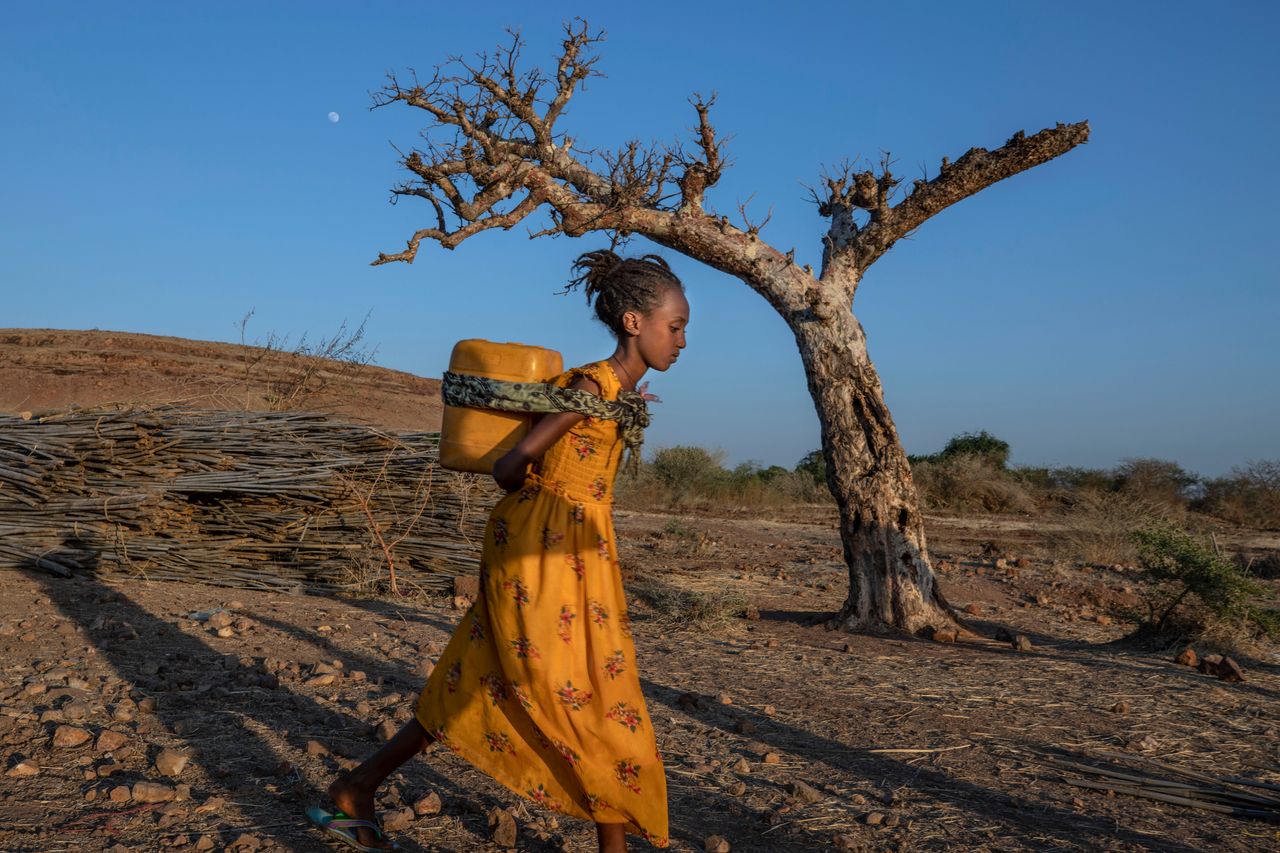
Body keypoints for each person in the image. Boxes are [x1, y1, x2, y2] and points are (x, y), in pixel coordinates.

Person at [309, 250, 689, 852]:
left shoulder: (618, 394)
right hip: (540, 551)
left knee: (484, 679)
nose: (682, 340)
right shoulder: (591, 386)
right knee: (582, 697)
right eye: (676, 326)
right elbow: (510, 466)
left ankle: (356, 787)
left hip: (578, 553)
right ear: (634, 323)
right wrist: (545, 487)